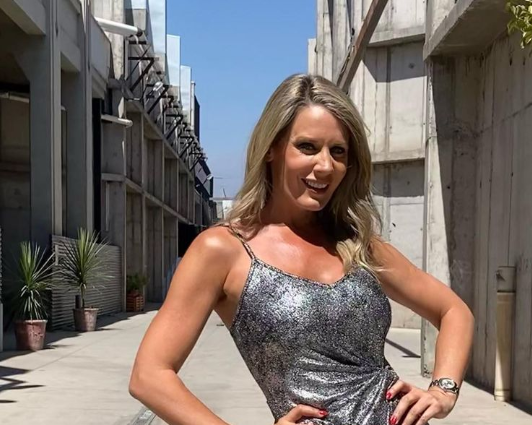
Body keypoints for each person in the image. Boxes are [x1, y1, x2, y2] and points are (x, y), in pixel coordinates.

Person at [129, 74, 474, 425]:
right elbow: (149, 375)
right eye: (307, 147)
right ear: (272, 148)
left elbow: (453, 311)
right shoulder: (223, 250)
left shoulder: (359, 244)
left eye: (338, 151)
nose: (325, 166)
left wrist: (442, 391)